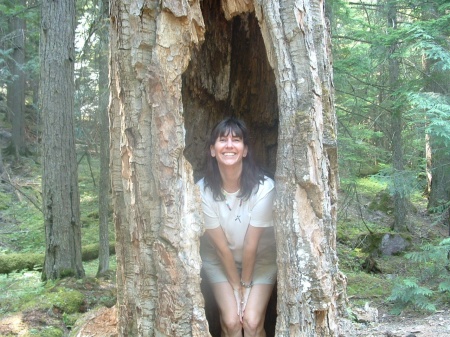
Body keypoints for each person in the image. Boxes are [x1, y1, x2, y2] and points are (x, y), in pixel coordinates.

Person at [198, 117, 277, 337]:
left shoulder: (264, 189)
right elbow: (221, 248)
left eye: (237, 140)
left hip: (261, 259)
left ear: (244, 150)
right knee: (232, 322)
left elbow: (251, 244)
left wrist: (246, 286)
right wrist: (236, 288)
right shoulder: (202, 192)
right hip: (219, 259)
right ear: (213, 150)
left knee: (251, 322)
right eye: (223, 140)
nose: (230, 145)